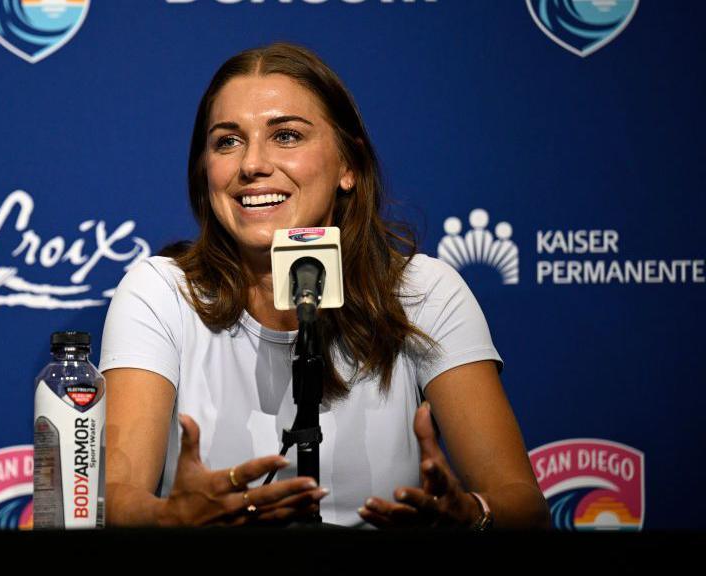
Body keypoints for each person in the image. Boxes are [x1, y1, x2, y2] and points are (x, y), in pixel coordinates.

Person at [99, 43, 550, 529]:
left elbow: (523, 505)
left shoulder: (423, 291)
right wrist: (171, 519)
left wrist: (471, 515)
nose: (252, 163)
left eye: (286, 135)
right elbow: (118, 500)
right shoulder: (162, 292)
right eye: (227, 141)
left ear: (348, 166)